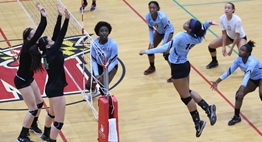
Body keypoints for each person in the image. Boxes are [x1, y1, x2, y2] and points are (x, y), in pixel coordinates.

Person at [139, 19, 218, 137]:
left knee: (186, 97)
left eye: (188, 23)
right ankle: (208, 108)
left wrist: (147, 51)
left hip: (178, 67)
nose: (185, 22)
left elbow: (165, 47)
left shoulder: (181, 36)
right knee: (188, 92)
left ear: (190, 29)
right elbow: (203, 29)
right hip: (185, 65)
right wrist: (208, 23)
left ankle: (198, 122)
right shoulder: (198, 37)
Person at [38, 4, 70, 142]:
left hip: (51, 87)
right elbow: (61, 36)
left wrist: (59, 16)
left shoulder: (48, 52)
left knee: (51, 113)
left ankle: (45, 134)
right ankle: (51, 139)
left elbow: (56, 35)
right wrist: (67, 20)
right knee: (59, 122)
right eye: (50, 40)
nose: (52, 39)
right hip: (56, 89)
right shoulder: (51, 53)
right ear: (47, 45)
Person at [15, 2, 47, 142]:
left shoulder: (33, 46)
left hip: (29, 78)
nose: (36, 35)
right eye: (33, 35)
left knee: (40, 103)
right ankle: (22, 136)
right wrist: (43, 15)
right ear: (28, 38)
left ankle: (33, 124)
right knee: (32, 108)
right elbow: (41, 29)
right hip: (22, 80)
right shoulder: (27, 46)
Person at [210, 40, 262, 126]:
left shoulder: (252, 61)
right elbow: (229, 71)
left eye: (243, 50)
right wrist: (217, 81)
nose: (240, 51)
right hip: (253, 79)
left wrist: (242, 88)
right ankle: (237, 116)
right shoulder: (238, 60)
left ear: (248, 53)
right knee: (238, 95)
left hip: (260, 77)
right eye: (240, 49)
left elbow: (247, 75)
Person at [206, 2, 247, 69]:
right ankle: (214, 61)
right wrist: (223, 46)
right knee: (211, 46)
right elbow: (224, 33)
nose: (226, 9)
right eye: (225, 8)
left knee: (242, 53)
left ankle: (248, 69)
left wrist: (231, 49)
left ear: (233, 10)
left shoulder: (237, 20)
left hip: (240, 38)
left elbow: (237, 36)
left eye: (228, 8)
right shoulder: (222, 18)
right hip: (229, 37)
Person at [85, 21, 118, 98]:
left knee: (103, 88)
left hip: (110, 67)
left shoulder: (113, 44)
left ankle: (107, 103)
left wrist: (103, 74)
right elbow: (93, 60)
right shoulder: (94, 43)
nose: (104, 33)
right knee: (88, 86)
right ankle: (94, 93)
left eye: (106, 31)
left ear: (109, 32)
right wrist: (96, 75)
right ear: (98, 33)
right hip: (99, 65)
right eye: (102, 31)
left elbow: (113, 62)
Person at [144, 1, 174, 82]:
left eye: (153, 8)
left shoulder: (162, 17)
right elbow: (150, 29)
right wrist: (152, 42)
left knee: (166, 53)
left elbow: (168, 30)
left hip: (169, 32)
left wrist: (164, 45)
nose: (152, 9)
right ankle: (152, 67)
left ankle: (175, 74)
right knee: (150, 50)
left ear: (157, 8)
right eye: (150, 8)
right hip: (159, 32)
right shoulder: (148, 16)